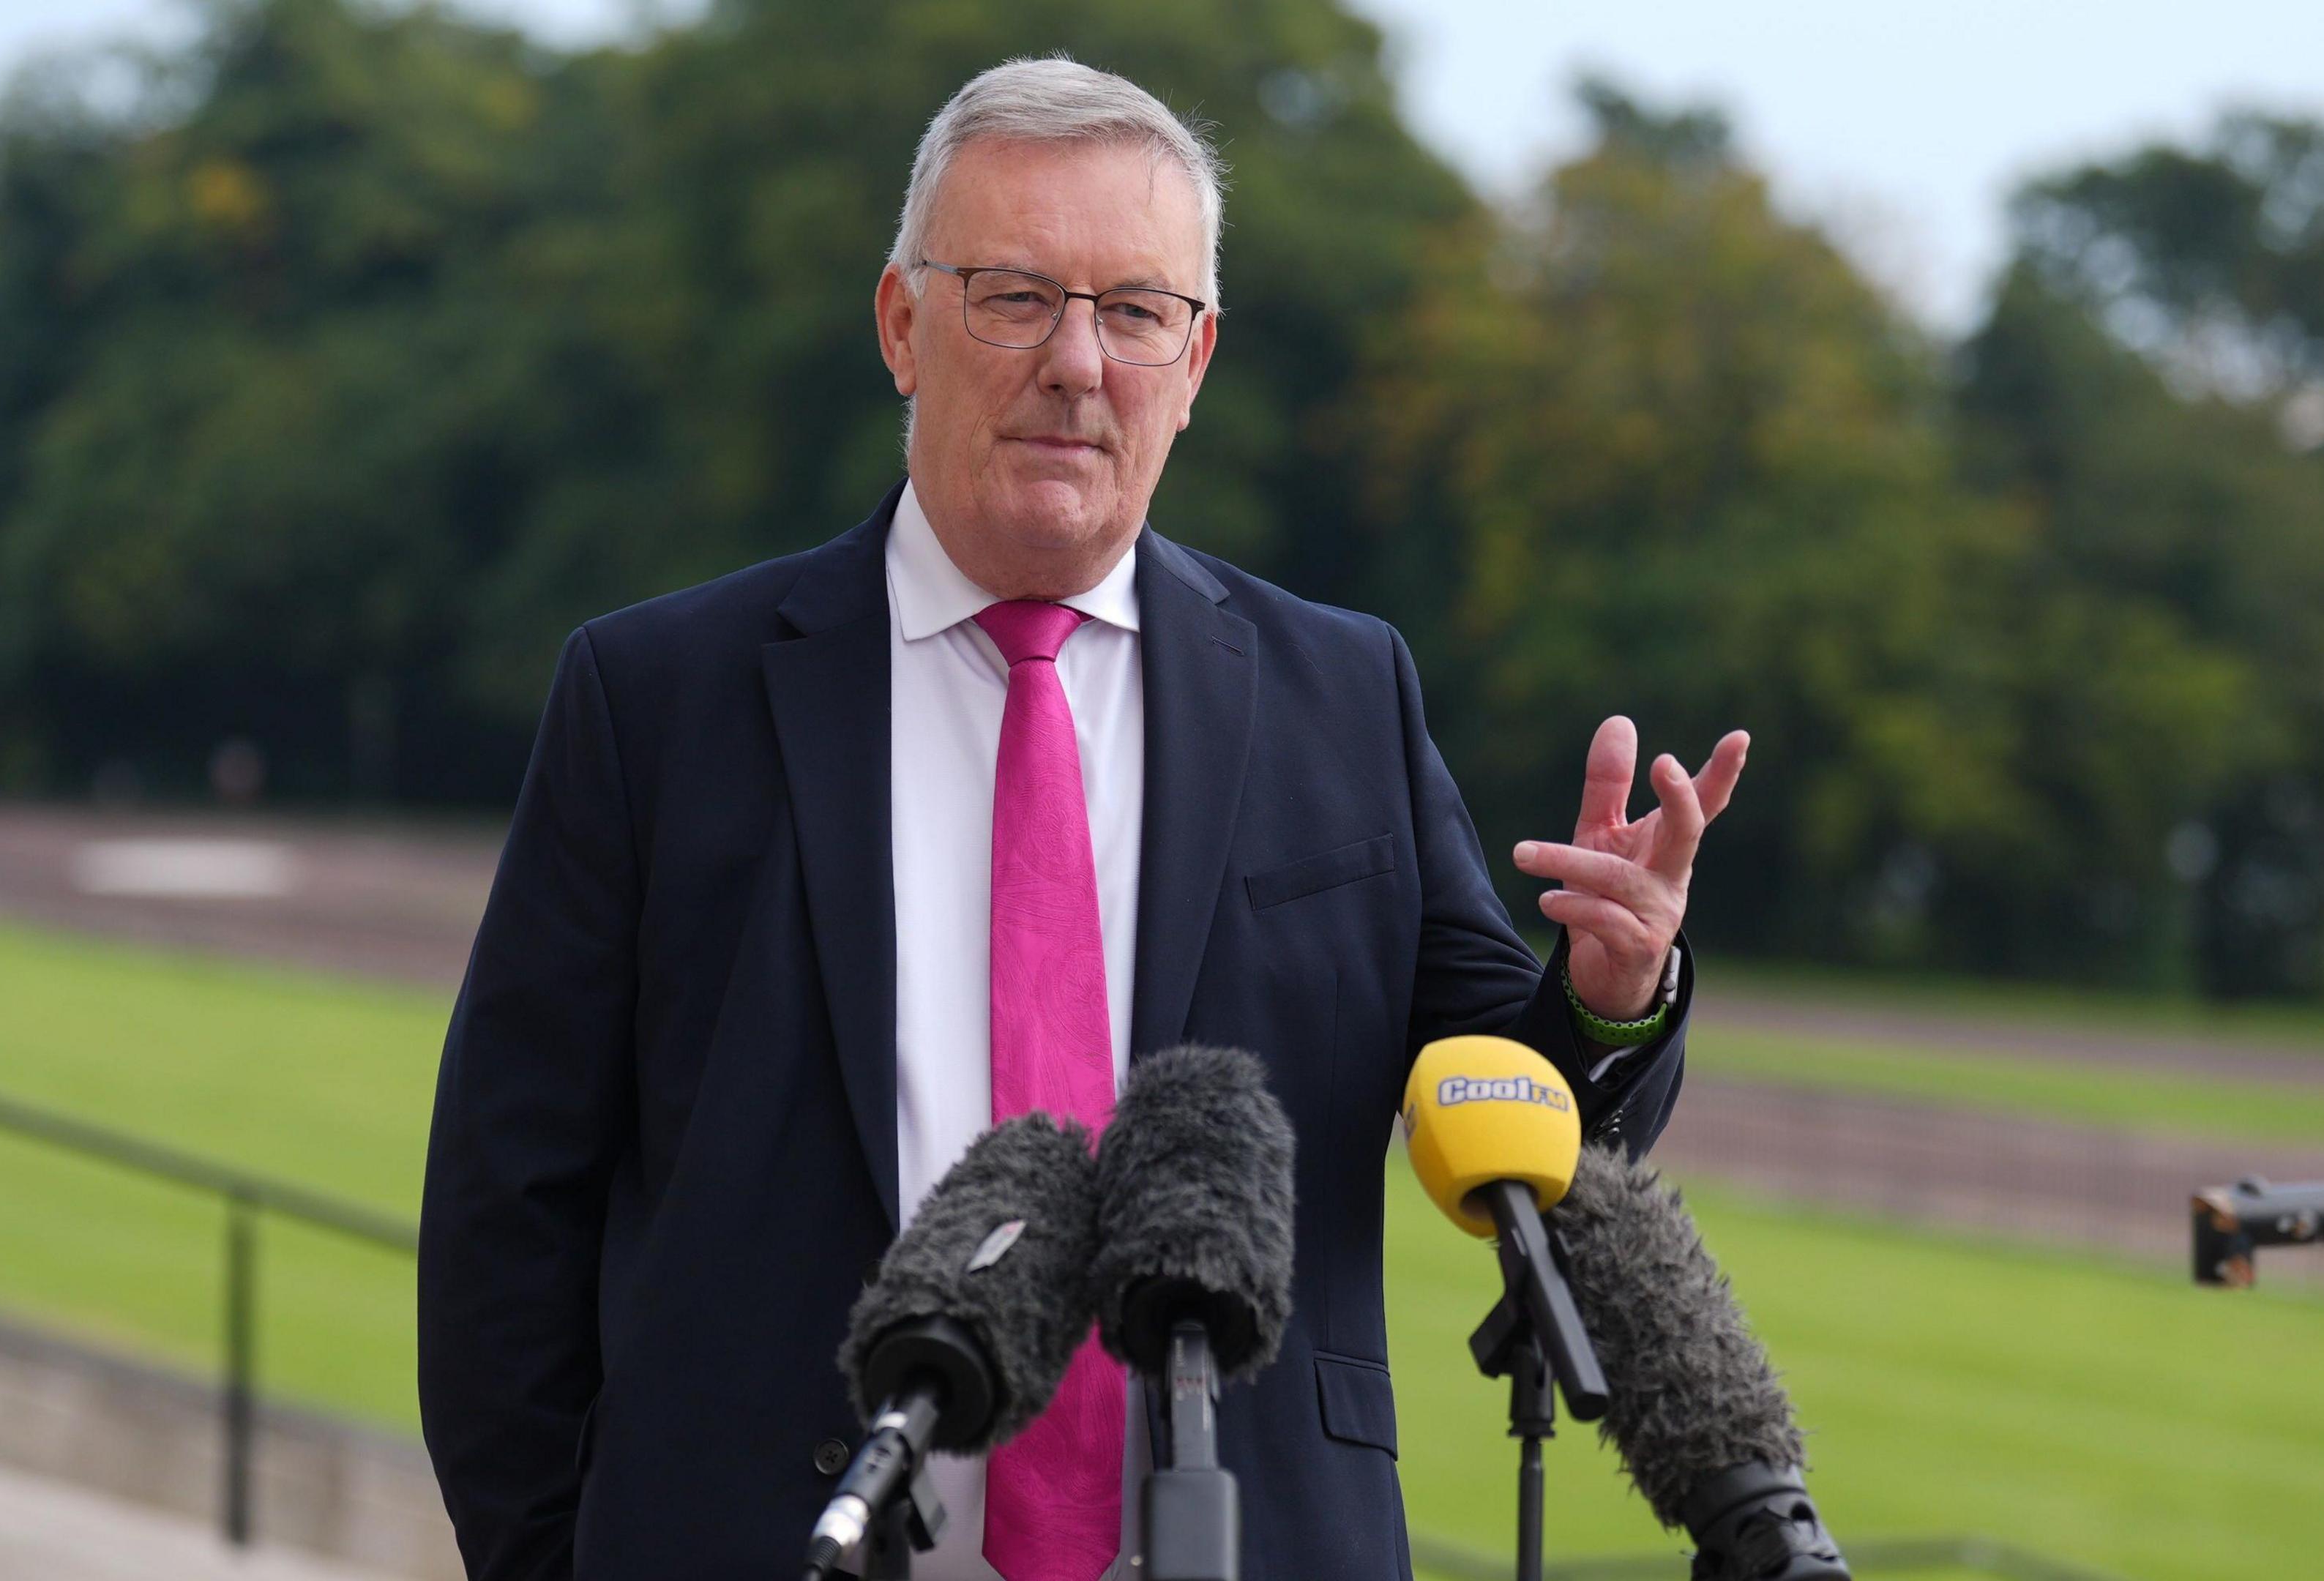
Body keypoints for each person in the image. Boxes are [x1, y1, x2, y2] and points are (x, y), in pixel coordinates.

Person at [417, 56, 1750, 1581]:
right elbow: (502, 1220)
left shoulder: (1341, 692)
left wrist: (1611, 996)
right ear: (900, 325)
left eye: (1134, 311)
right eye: (1013, 297)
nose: (1078, 363)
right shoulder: (656, 699)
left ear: (1198, 361)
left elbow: (1510, 1121)